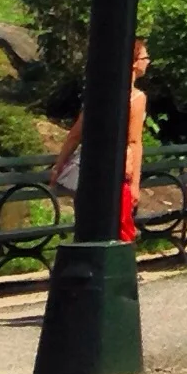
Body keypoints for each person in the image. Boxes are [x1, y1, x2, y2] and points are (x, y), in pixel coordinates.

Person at [50, 37, 151, 243]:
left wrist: (58, 166)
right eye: (145, 57)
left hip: (90, 169)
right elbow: (134, 142)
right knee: (117, 227)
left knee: (87, 224)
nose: (148, 62)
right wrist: (135, 184)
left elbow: (75, 134)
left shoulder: (99, 93)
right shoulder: (136, 98)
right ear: (133, 63)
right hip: (117, 171)